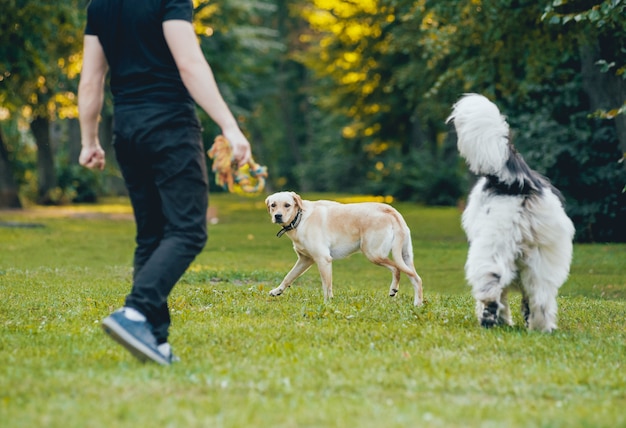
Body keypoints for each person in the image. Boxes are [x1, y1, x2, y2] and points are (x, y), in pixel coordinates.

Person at [78, 0, 252, 365]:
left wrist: (89, 140)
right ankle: (136, 312)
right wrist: (229, 125)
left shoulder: (101, 6)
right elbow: (189, 63)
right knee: (189, 231)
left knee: (152, 235)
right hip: (169, 123)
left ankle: (153, 340)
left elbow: (92, 78)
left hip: (127, 128)